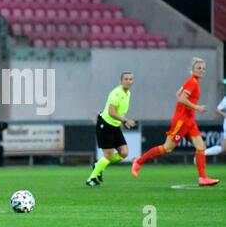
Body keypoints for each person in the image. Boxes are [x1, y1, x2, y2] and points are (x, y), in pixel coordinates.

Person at [131, 57, 220, 186]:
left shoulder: (192, 81)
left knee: (201, 147)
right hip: (182, 122)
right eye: (199, 68)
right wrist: (197, 107)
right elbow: (181, 99)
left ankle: (203, 178)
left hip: (189, 121)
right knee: (167, 148)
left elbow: (178, 94)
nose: (202, 70)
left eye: (203, 69)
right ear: (192, 69)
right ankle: (138, 161)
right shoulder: (192, 82)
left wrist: (191, 108)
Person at [86, 72, 136, 186]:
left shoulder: (128, 93)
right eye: (126, 79)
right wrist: (125, 120)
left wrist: (123, 122)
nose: (128, 81)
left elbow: (119, 111)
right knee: (108, 156)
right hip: (105, 125)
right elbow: (111, 112)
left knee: (124, 153)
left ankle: (98, 165)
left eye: (131, 79)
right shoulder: (116, 93)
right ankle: (91, 179)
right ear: (121, 81)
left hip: (115, 125)